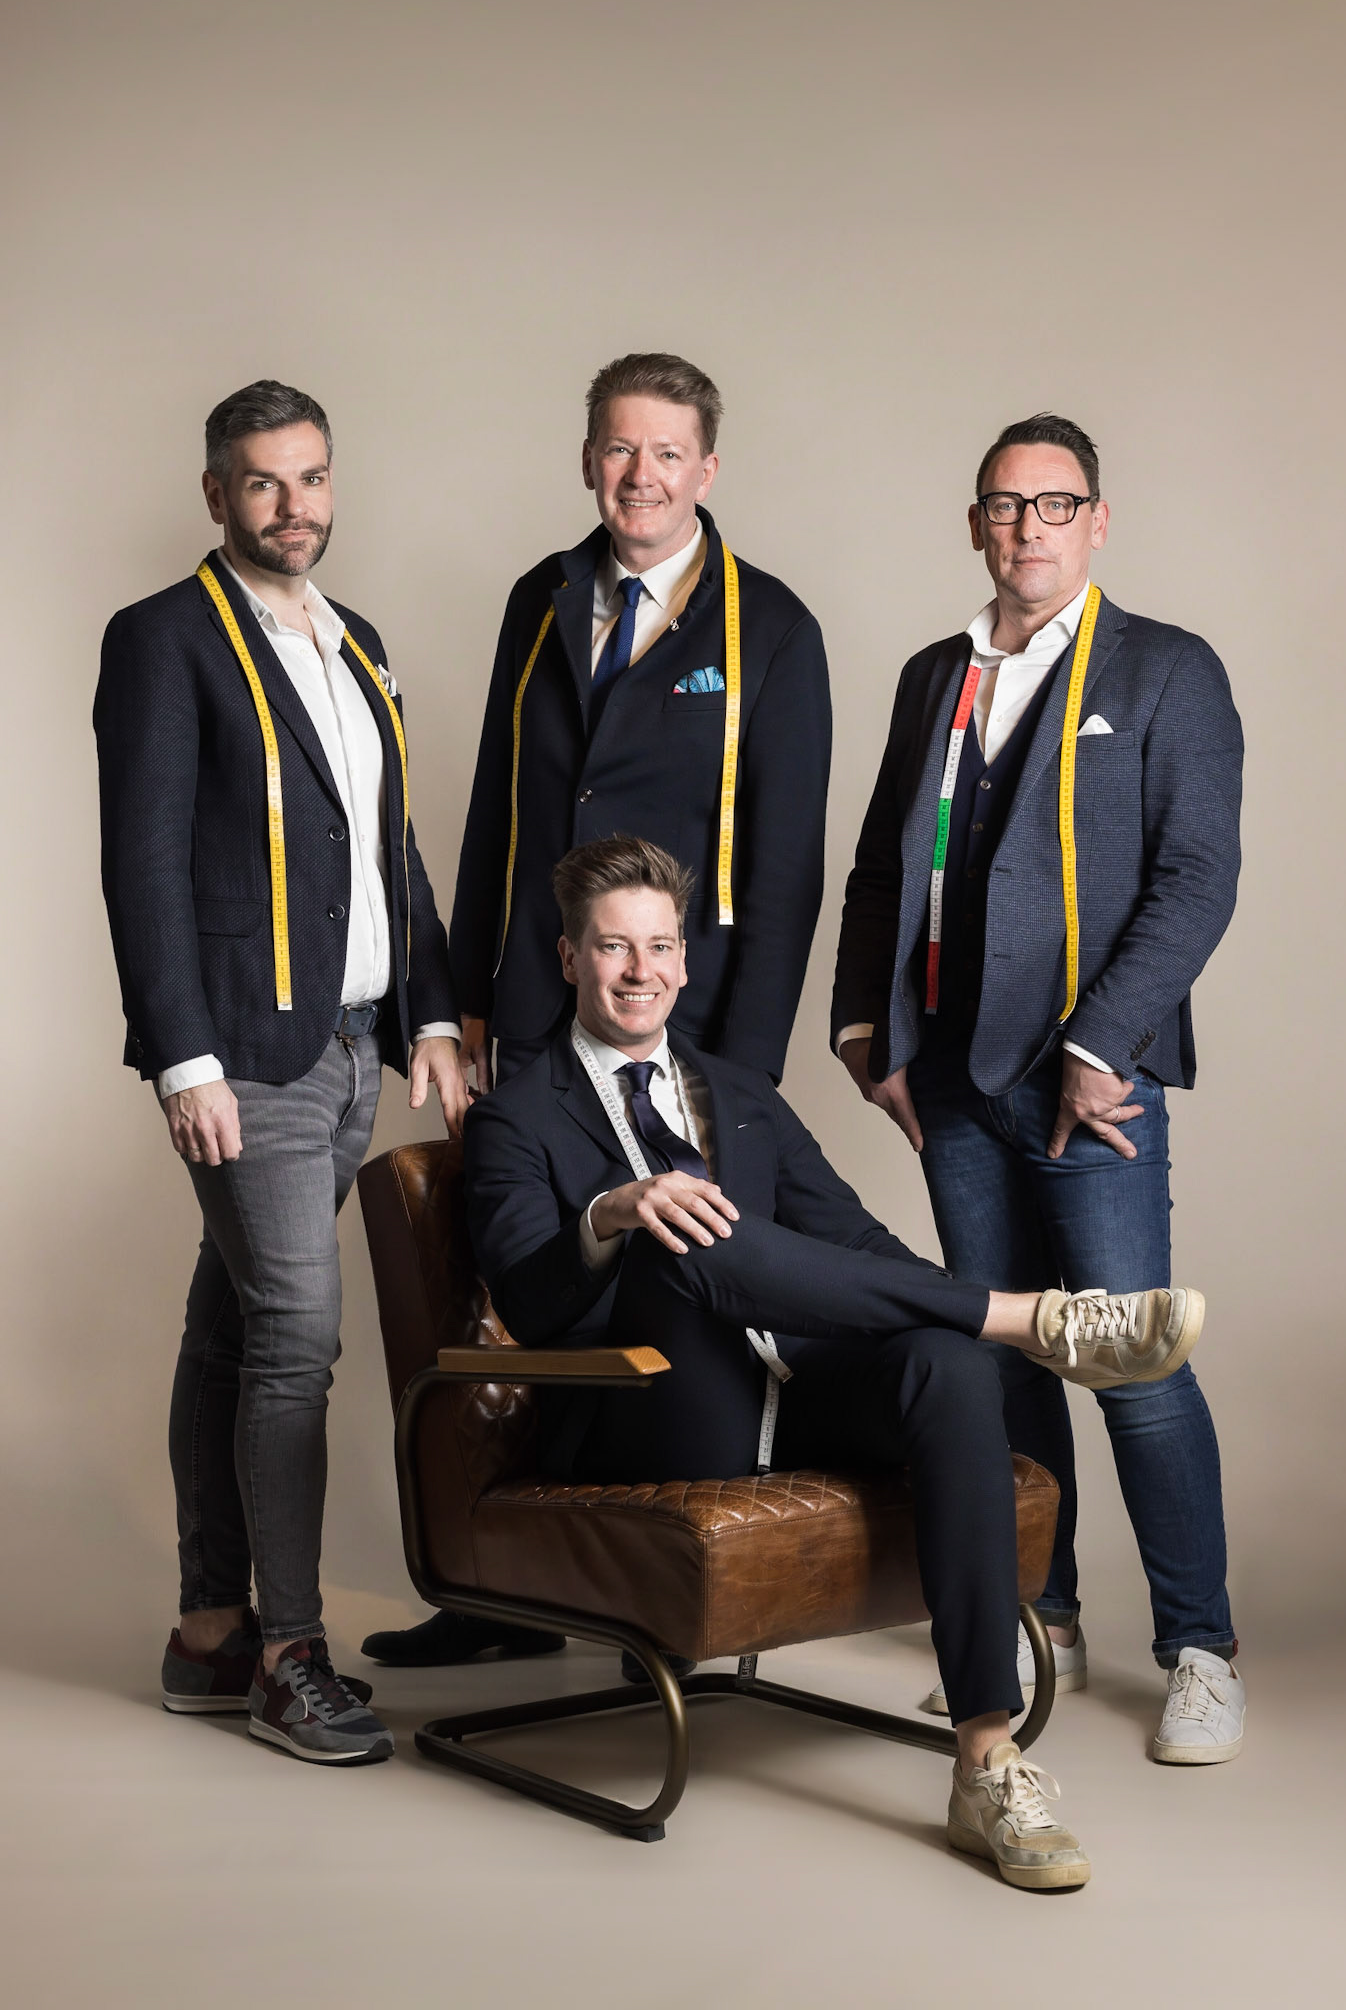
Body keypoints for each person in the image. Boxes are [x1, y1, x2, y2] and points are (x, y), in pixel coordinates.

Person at [461, 835, 1210, 1889]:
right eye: (614, 947)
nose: (640, 970)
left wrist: (940, 1312)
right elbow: (531, 1302)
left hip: (795, 1391)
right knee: (678, 1227)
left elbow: (859, 1245)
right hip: (657, 1411)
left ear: (684, 960)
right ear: (570, 957)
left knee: (947, 1366)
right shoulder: (516, 1112)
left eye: (660, 946)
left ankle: (986, 1757)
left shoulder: (740, 1092)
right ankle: (1033, 1320)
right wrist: (613, 1211)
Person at [363, 350, 833, 1670]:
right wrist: (458, 1002)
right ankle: (501, 1591)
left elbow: (784, 873)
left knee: (672, 1285)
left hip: (683, 1025)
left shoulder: (770, 627)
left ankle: (656, 1591)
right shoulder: (543, 595)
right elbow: (497, 813)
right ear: (587, 459)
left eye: (666, 453)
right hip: (536, 1007)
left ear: (707, 469)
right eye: (620, 449)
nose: (641, 475)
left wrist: (740, 1079)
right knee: (518, 1290)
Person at [833, 412, 1246, 1764]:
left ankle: (1199, 1650)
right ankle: (1040, 1617)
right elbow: (882, 866)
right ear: (974, 524)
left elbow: (1195, 878)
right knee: (1008, 1353)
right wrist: (861, 1023)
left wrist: (1097, 1045)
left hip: (1089, 1082)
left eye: (1054, 504)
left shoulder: (1167, 669)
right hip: (950, 1076)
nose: (1027, 528)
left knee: (1131, 1361)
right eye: (1005, 505)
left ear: (1096, 521)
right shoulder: (932, 675)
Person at [94, 380, 468, 1766]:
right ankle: (289, 1656)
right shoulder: (163, 638)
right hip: (245, 1057)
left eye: (310, 477)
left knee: (231, 1329)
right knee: (298, 1340)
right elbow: (141, 862)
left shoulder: (357, 639)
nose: (291, 504)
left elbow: (388, 846)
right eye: (262, 481)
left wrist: (431, 1014)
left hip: (358, 1044)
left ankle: (208, 1629)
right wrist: (182, 1059)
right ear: (217, 495)